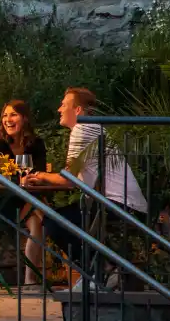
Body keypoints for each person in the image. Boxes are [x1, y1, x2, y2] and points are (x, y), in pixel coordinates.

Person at [24, 87, 148, 290]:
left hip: (119, 205)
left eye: (64, 105)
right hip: (125, 204)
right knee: (65, 218)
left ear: (78, 110)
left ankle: (99, 272)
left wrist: (40, 175)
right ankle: (102, 271)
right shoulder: (93, 128)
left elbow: (69, 180)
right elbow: (79, 180)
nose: (59, 109)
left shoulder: (82, 129)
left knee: (54, 222)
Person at [0, 99, 48, 287]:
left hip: (28, 199)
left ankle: (30, 279)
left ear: (25, 118)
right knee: (42, 213)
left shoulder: (36, 143)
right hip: (3, 201)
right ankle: (50, 216)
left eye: (13, 115)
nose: (8, 119)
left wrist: (28, 180)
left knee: (37, 225)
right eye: (5, 115)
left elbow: (39, 172)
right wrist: (21, 181)